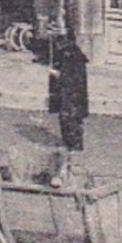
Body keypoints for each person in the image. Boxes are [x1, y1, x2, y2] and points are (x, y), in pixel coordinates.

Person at [49, 36, 91, 165]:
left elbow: (69, 78)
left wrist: (57, 75)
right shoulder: (72, 55)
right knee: (69, 119)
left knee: (70, 119)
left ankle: (74, 146)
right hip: (71, 94)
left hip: (71, 95)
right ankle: (71, 144)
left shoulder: (70, 57)